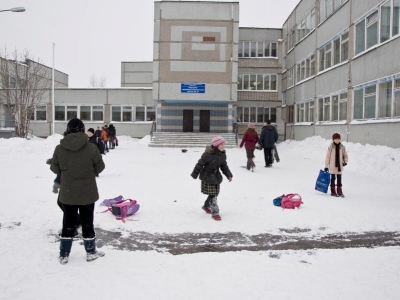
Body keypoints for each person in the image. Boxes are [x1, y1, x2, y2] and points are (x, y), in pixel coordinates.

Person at [50, 118, 105, 264]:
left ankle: (64, 254)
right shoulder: (91, 148)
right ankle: (91, 252)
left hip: (68, 193)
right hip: (87, 193)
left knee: (68, 222)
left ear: (68, 130)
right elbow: (100, 167)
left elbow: (55, 168)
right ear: (83, 130)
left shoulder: (59, 149)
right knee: (88, 222)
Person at [191, 136, 233, 221]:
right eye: (221, 144)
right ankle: (215, 212)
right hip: (207, 176)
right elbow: (199, 164)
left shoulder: (222, 155)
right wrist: (195, 174)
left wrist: (228, 175)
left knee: (215, 193)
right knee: (214, 195)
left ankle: (206, 206)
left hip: (216, 176)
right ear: (216, 145)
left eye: (223, 144)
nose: (223, 146)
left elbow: (224, 166)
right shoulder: (207, 154)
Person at [324, 133, 348, 198]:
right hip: (332, 166)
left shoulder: (342, 147)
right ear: (333, 140)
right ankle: (333, 191)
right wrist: (326, 166)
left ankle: (339, 191)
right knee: (333, 178)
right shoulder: (331, 147)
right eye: (335, 139)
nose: (337, 140)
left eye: (338, 139)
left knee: (339, 178)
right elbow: (328, 157)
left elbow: (345, 155)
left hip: (340, 166)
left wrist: (345, 161)